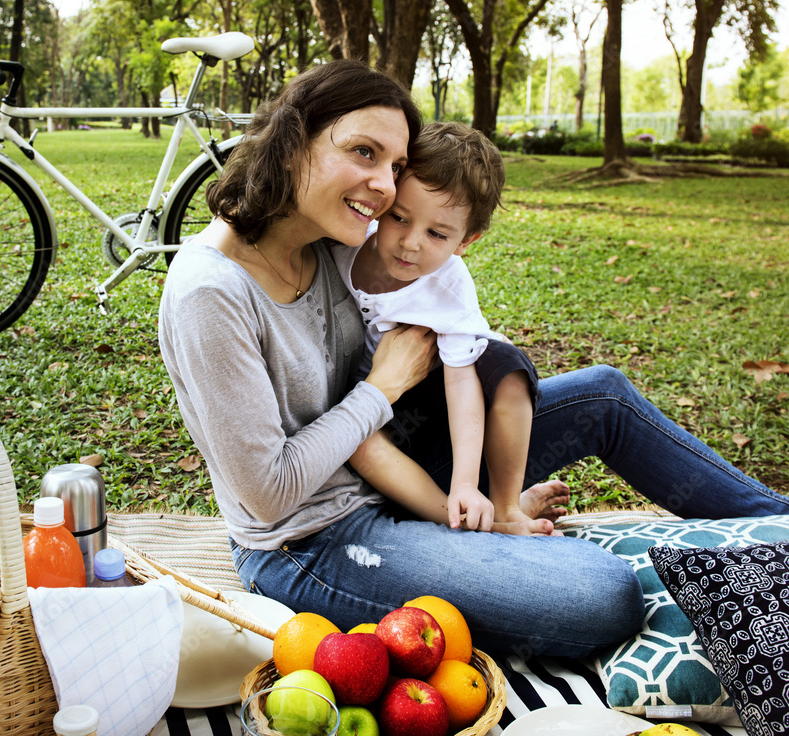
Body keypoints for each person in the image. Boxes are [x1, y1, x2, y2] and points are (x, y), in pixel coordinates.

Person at [157, 60, 789, 658]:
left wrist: (474, 439)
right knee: (602, 594)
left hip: (399, 460)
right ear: (293, 143)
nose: (382, 187)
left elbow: (439, 313)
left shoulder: (332, 240)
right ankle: (480, 530)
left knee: (602, 394)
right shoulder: (211, 293)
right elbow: (266, 496)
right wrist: (382, 388)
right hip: (314, 539)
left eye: (395, 163)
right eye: (362, 152)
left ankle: (776, 523)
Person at [330, 121, 548, 535]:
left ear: (466, 241)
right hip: (368, 400)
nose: (410, 243)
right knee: (357, 444)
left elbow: (461, 382)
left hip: (423, 401)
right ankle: (457, 513)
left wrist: (466, 480)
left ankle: (504, 507)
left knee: (506, 368)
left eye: (436, 233)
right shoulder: (348, 239)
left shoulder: (446, 286)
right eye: (399, 217)